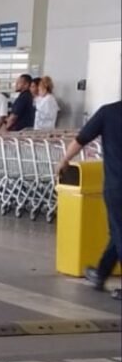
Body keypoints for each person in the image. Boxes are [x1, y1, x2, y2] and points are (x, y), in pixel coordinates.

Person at [58, 101, 121, 301]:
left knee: (120, 233)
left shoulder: (108, 112)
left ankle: (101, 274)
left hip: (117, 185)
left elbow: (80, 140)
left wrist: (64, 160)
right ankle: (100, 273)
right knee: (117, 232)